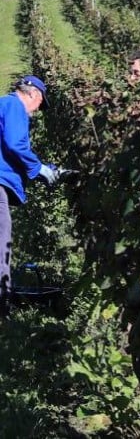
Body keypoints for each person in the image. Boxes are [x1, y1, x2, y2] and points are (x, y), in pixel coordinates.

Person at [0, 75, 59, 310]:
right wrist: (38, 168)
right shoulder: (15, 105)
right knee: (1, 246)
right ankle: (2, 307)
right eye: (39, 104)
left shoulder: (4, 104)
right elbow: (15, 143)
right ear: (33, 94)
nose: (36, 111)